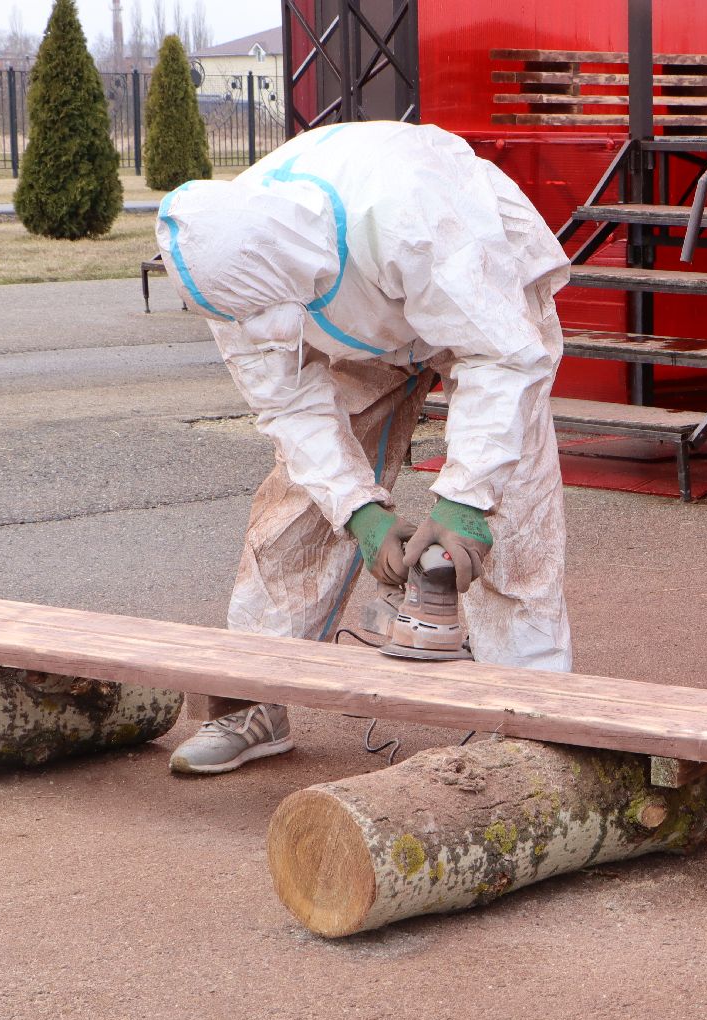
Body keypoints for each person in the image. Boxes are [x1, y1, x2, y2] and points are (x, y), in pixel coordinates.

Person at [154, 120, 572, 775]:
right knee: (296, 504)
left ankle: (532, 717)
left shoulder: (410, 213)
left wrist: (463, 504)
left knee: (512, 500)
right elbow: (289, 405)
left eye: (273, 308)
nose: (259, 326)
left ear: (296, 264)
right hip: (352, 324)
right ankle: (256, 696)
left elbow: (501, 357)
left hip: (481, 293)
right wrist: (360, 512)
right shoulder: (225, 271)